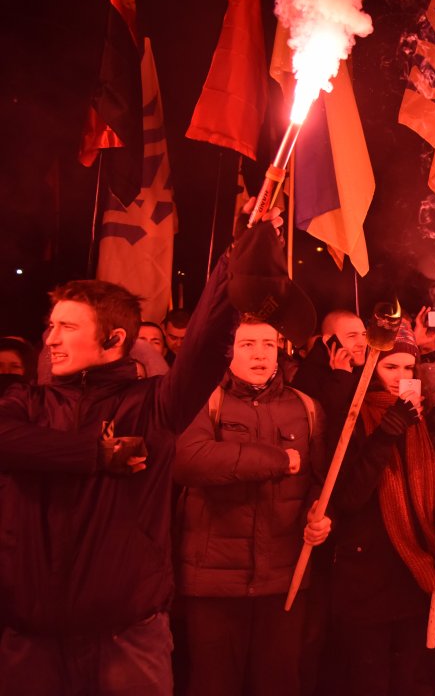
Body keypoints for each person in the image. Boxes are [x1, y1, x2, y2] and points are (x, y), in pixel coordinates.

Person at [0, 216, 279, 695]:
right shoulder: (28, 403)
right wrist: (94, 453)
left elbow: (206, 346)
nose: (50, 340)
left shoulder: (152, 405)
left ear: (113, 341)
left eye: (67, 327)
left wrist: (234, 260)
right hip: (32, 638)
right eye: (51, 327)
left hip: (126, 638)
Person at [174, 316, 331, 696]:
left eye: (268, 344)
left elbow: (319, 483)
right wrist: (277, 460)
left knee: (278, 682)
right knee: (214, 684)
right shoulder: (203, 400)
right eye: (247, 345)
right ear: (229, 352)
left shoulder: (307, 408)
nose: (260, 353)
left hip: (282, 580)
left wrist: (320, 517)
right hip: (214, 582)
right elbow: (189, 461)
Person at [325, 321, 435, 695]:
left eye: (408, 368)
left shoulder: (419, 420)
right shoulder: (353, 414)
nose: (401, 377)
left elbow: (422, 488)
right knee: (369, 682)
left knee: (406, 682)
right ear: (371, 368)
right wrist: (385, 433)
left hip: (410, 574)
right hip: (365, 579)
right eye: (390, 367)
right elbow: (349, 496)